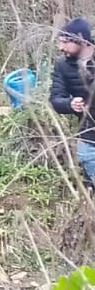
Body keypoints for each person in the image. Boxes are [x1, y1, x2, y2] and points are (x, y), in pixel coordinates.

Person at [50, 18, 95, 189]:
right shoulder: (63, 65)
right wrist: (69, 104)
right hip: (89, 138)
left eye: (65, 42)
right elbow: (55, 99)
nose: (61, 48)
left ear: (80, 38)